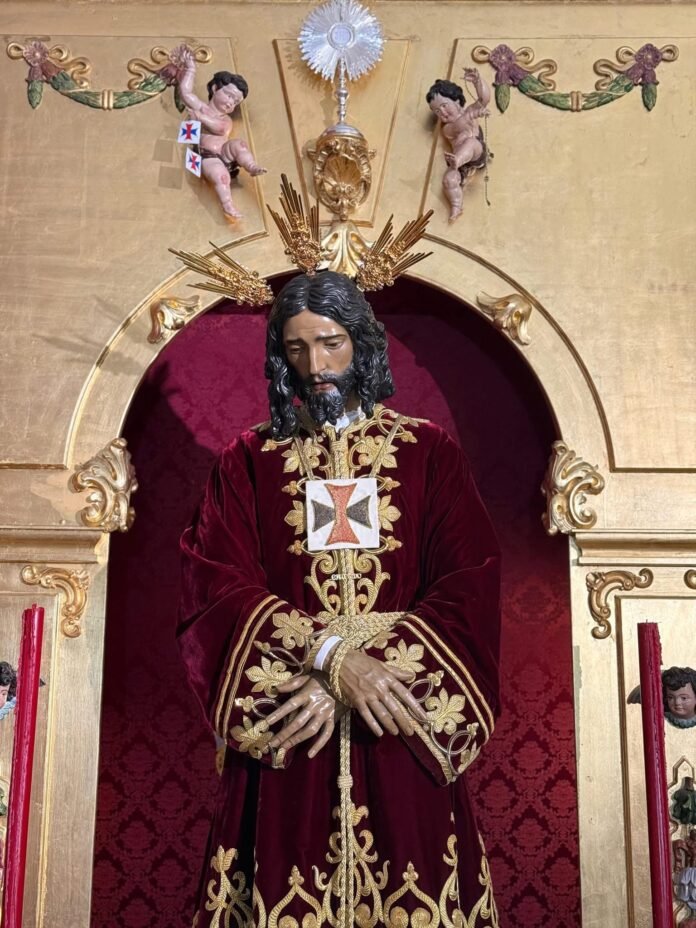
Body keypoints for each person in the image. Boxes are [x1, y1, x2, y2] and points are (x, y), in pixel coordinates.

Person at [178, 270, 501, 928]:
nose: (316, 366)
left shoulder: (428, 453)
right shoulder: (248, 461)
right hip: (293, 726)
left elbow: (469, 583)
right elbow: (215, 586)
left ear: (361, 342)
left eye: (330, 343)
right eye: (296, 349)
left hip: (398, 722)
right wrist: (330, 659)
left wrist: (364, 678)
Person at [176, 46, 266, 220]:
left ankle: (251, 166)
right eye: (229, 95)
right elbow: (185, 92)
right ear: (215, 88)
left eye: (236, 102)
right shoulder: (201, 107)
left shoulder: (226, 119)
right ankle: (228, 205)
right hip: (208, 156)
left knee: (239, 144)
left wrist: (200, 118)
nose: (231, 102)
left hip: (225, 153)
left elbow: (220, 128)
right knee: (221, 176)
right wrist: (191, 69)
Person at [427, 72, 491, 222]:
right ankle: (456, 205)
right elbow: (459, 124)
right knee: (448, 180)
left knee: (470, 143)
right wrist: (475, 114)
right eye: (437, 111)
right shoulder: (447, 129)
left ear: (456, 100)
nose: (442, 112)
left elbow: (484, 99)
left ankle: (457, 160)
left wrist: (478, 82)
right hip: (461, 164)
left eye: (444, 106)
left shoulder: (468, 112)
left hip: (476, 152)